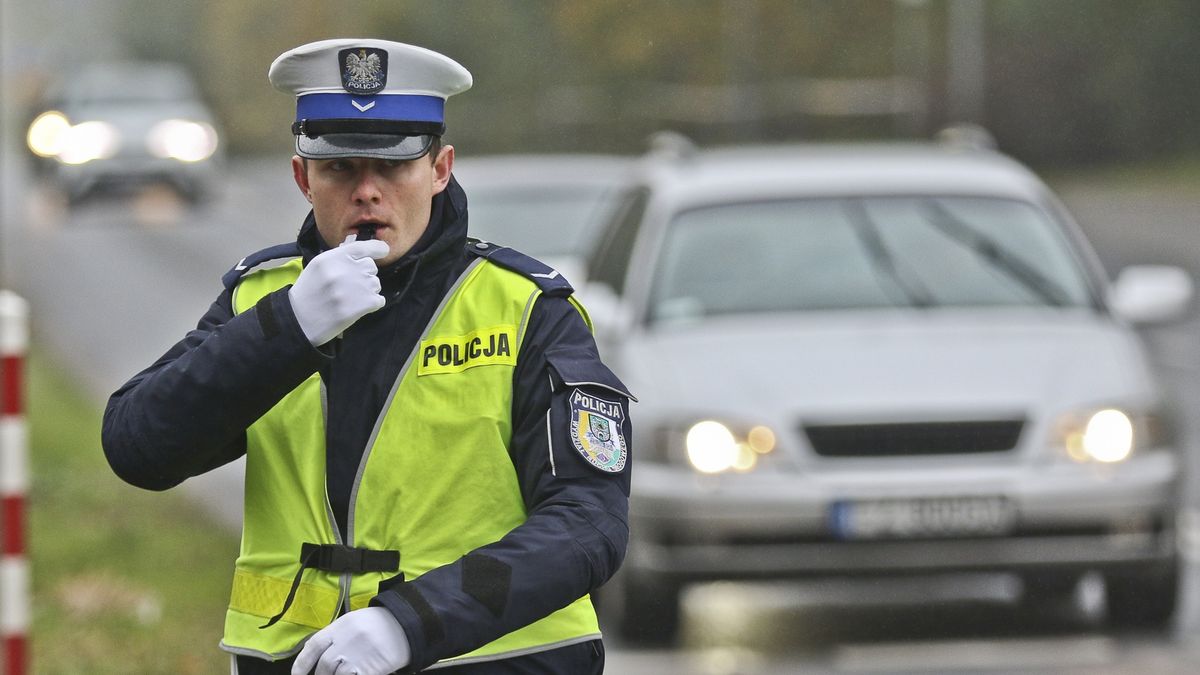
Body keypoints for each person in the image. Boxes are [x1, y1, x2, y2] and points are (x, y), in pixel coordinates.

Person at [102, 38, 633, 675]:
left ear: (440, 170)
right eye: (340, 169)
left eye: (393, 167)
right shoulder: (264, 300)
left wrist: (412, 621)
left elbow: (588, 524)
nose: (367, 193)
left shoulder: (525, 308)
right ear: (303, 177)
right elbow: (139, 446)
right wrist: (287, 330)